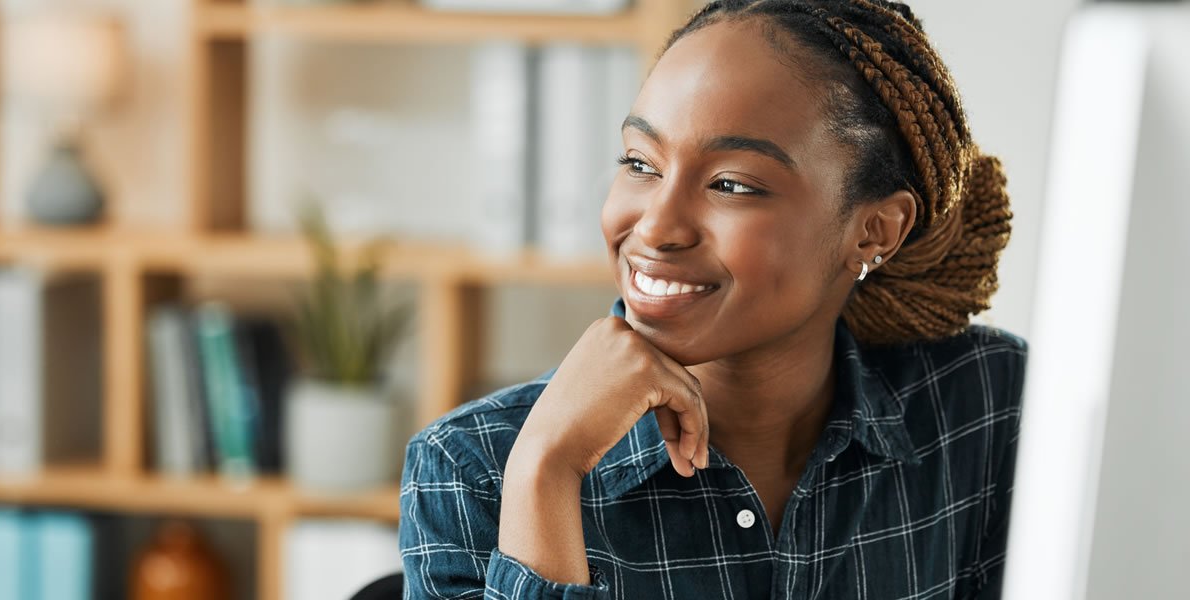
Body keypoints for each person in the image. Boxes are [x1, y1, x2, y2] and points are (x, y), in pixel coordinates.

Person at [399, 0, 1026, 597]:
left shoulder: (989, 407)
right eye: (640, 163)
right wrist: (546, 472)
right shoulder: (473, 468)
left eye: (730, 184)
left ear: (874, 231)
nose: (655, 227)